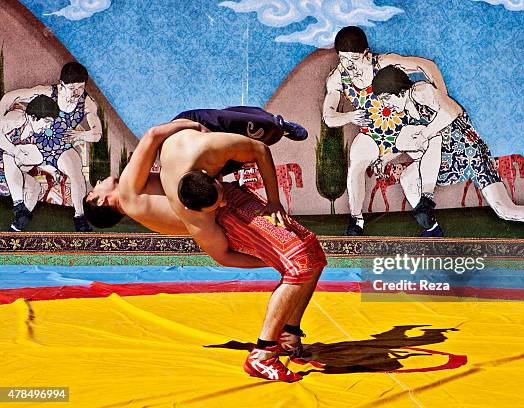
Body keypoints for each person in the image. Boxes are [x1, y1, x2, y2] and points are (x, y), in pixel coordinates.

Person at [83, 120, 327, 382]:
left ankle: (287, 336)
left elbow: (221, 255)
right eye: (95, 188)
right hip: (230, 213)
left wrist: (268, 261)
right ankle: (262, 354)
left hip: (225, 210)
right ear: (99, 200)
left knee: (312, 252)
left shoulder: (147, 206)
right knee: (300, 263)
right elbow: (153, 134)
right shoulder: (130, 190)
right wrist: (193, 124)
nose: (98, 181)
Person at [371, 65, 524, 239]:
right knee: (407, 175)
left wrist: (424, 134)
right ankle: (431, 228)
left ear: (398, 91)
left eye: (386, 99)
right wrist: (384, 158)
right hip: (444, 160)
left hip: (471, 154)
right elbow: (405, 144)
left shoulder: (420, 91)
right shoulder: (407, 113)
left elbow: (453, 112)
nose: (386, 104)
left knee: (504, 209)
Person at [323, 25, 448, 236]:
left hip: (403, 128)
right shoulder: (337, 78)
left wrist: (442, 98)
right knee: (356, 165)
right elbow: (329, 117)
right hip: (372, 133)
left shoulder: (383, 63)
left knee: (423, 160)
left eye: (354, 59)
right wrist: (349, 117)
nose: (349, 65)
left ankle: (428, 218)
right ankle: (356, 221)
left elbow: (428, 65)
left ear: (366, 52)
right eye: (344, 59)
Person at [0, 62, 102, 232]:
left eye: (81, 87)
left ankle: (79, 218)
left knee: (76, 171)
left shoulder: (87, 103)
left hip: (60, 148)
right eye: (72, 88)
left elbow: (97, 134)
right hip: (35, 143)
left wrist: (80, 136)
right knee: (14, 161)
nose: (77, 93)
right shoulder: (46, 92)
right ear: (62, 85)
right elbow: (7, 98)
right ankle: (19, 212)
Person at [172, 106, 308, 175]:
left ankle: (278, 125)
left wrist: (198, 127)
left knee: (246, 126)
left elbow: (155, 133)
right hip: (203, 160)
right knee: (242, 154)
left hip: (198, 125)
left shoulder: (161, 145)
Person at [0, 95, 60, 231]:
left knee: (34, 187)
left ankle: (16, 228)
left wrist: (52, 170)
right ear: (33, 116)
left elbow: (34, 159)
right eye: (47, 121)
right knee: (9, 154)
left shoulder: (32, 136)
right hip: (4, 163)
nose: (48, 126)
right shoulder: (16, 118)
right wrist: (15, 151)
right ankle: (18, 205)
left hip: (8, 175)